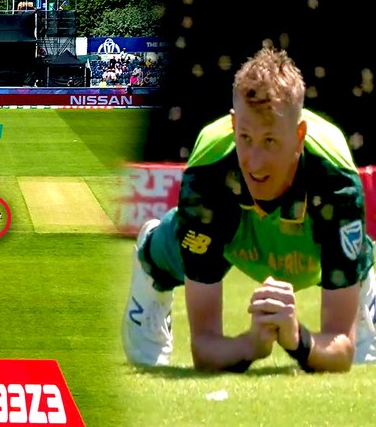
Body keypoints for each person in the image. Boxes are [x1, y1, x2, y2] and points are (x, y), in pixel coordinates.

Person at [122, 46, 376, 373]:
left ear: (299, 136)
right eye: (245, 137)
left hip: (313, 247)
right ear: (232, 125)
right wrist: (251, 345)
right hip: (234, 239)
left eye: (270, 141)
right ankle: (151, 261)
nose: (254, 164)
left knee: (349, 249)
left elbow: (341, 350)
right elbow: (204, 348)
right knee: (181, 234)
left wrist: (297, 339)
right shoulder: (208, 172)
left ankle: (359, 280)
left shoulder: (336, 182)